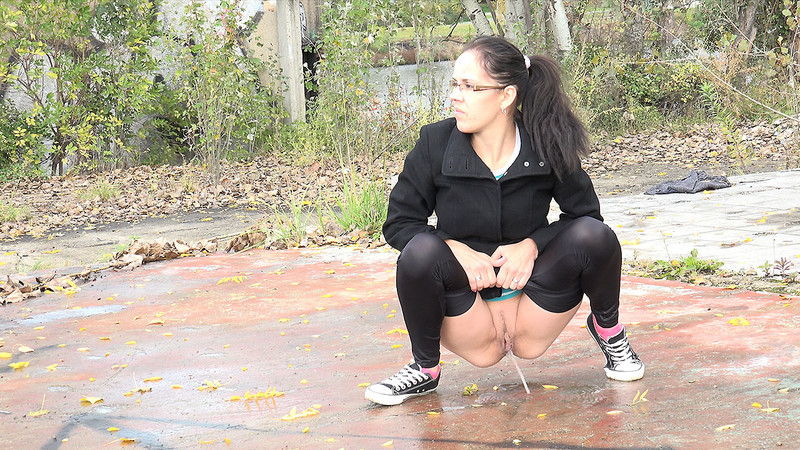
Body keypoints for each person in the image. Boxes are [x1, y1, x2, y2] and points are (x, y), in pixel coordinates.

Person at [365, 36, 644, 406]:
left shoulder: (546, 140)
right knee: (418, 252)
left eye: (469, 86)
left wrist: (532, 246)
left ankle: (609, 330)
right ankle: (424, 368)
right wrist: (456, 250)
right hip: (468, 313)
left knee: (595, 236)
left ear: (506, 96)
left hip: (536, 305)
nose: (455, 96)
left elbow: (585, 215)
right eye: (455, 85)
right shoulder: (434, 142)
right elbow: (399, 223)